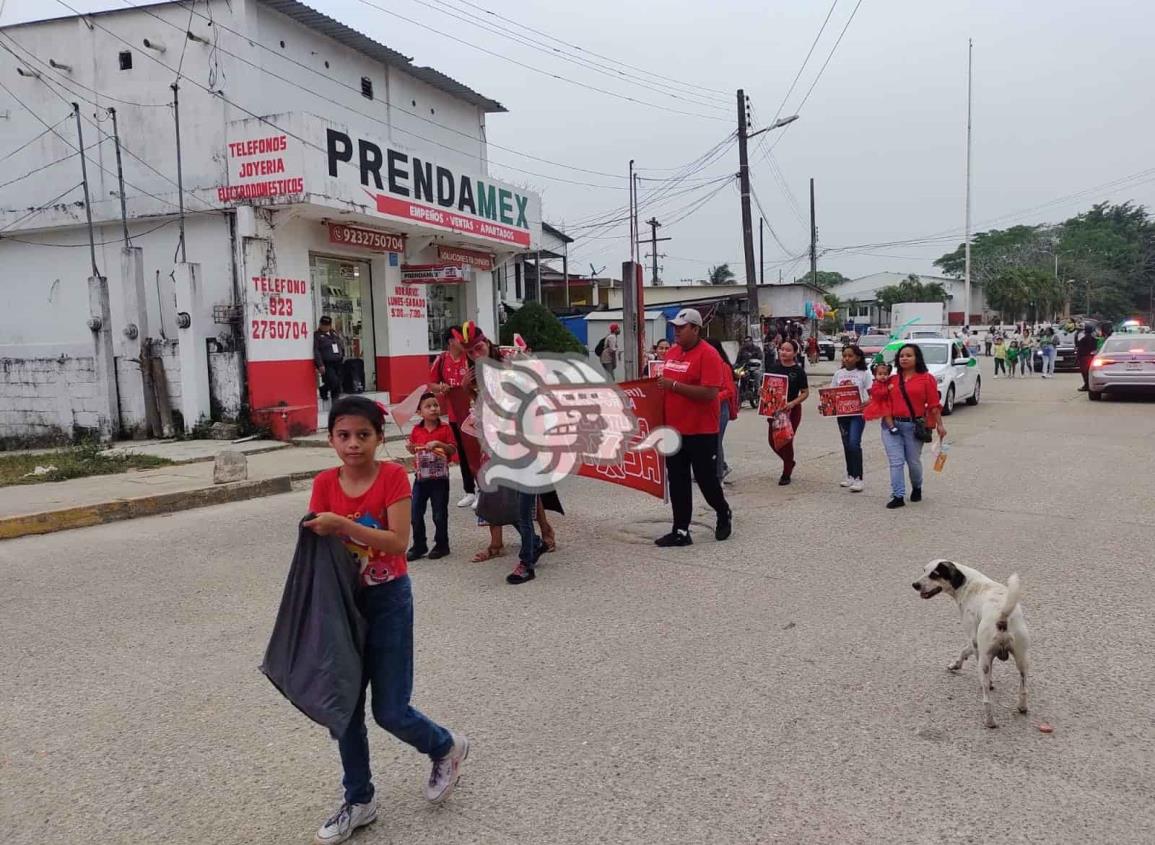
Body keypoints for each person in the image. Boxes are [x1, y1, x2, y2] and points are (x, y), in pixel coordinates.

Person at [305, 396, 468, 845]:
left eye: (363, 435)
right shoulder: (324, 483)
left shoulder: (394, 476)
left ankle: (444, 746)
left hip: (389, 600)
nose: (353, 444)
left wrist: (343, 524)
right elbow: (319, 549)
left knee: (390, 710)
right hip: (344, 606)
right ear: (331, 439)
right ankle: (359, 800)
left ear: (379, 437)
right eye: (343, 435)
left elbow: (398, 542)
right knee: (346, 713)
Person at [654, 308, 732, 547]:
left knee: (706, 480)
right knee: (677, 481)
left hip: (701, 431)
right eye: (675, 327)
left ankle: (723, 511)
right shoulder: (673, 353)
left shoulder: (708, 355)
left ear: (696, 329)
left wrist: (673, 385)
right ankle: (680, 530)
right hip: (675, 429)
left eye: (681, 327)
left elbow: (710, 393)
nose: (676, 331)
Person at [881, 344, 946, 510]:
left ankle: (917, 487)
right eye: (901, 355)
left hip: (913, 426)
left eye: (909, 355)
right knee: (896, 462)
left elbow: (933, 404)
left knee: (913, 462)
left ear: (917, 358)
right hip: (891, 426)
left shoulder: (926, 378)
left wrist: (940, 425)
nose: (904, 358)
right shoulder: (892, 379)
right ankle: (898, 495)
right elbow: (879, 399)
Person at [429, 328, 477, 508]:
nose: (463, 342)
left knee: (477, 452)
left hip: (473, 414)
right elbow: (431, 384)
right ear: (450, 341)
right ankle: (470, 491)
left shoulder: (470, 357)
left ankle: (483, 490)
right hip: (455, 415)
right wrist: (440, 388)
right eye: (459, 339)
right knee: (463, 453)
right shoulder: (441, 360)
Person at [405, 392, 456, 562]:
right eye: (428, 406)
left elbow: (452, 450)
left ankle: (442, 544)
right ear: (420, 412)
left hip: (439, 478)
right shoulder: (416, 430)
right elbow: (413, 449)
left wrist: (439, 444)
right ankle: (419, 544)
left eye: (436, 405)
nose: (433, 408)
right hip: (421, 477)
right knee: (415, 513)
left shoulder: (445, 428)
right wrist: (411, 449)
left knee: (439, 513)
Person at [766, 338, 809, 486]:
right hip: (775, 410)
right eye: (782, 349)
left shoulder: (798, 371)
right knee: (773, 442)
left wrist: (792, 403)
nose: (784, 352)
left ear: (795, 353)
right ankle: (789, 462)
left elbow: (805, 393)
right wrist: (762, 391)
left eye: (788, 350)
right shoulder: (773, 367)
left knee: (786, 441)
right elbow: (767, 387)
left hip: (792, 410)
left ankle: (786, 473)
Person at [830, 344, 872, 493]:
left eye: (850, 356)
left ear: (858, 358)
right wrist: (826, 406)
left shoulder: (864, 374)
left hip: (858, 415)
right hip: (842, 415)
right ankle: (850, 475)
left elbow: (873, 395)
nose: (847, 358)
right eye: (845, 356)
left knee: (854, 443)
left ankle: (859, 478)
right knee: (847, 444)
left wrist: (865, 404)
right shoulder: (838, 374)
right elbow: (831, 394)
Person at [705, 338, 738, 482]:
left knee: (715, 441)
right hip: (706, 408)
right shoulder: (705, 365)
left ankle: (718, 475)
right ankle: (721, 467)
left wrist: (712, 397)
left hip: (719, 408)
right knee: (709, 441)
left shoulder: (722, 366)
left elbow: (730, 390)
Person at [314, 316, 345, 404]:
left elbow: (340, 345)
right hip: (327, 363)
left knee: (338, 383)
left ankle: (335, 404)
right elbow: (316, 351)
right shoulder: (317, 335)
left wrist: (342, 355)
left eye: (327, 325)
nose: (324, 327)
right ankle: (323, 389)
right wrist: (320, 364)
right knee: (333, 381)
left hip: (338, 362)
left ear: (330, 325)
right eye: (323, 324)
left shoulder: (333, 333)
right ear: (320, 324)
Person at [1076, 323, 1099, 391]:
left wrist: (1077, 358)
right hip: (1091, 357)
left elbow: (1079, 349)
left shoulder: (1083, 339)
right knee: (1089, 372)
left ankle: (1086, 385)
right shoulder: (1094, 339)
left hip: (1084, 357)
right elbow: (1095, 349)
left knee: (1084, 372)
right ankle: (1089, 385)